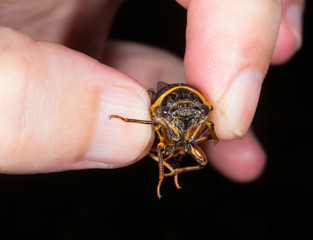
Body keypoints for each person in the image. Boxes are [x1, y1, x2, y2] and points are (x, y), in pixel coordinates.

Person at [0, 0, 304, 182]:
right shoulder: (186, 131)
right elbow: (205, 127)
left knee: (175, 145)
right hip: (183, 109)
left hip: (177, 109)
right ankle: (166, 169)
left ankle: (167, 170)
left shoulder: (179, 132)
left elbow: (203, 127)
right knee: (169, 144)